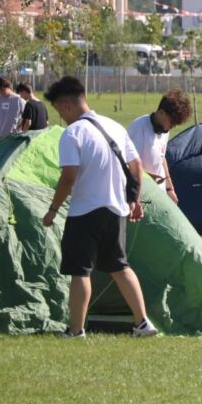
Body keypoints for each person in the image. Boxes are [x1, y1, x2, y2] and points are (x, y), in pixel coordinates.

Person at [41, 76, 158, 338]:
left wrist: (53, 209)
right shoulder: (114, 126)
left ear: (66, 105)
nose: (61, 117)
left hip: (85, 211)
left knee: (80, 271)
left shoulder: (73, 133)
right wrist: (134, 199)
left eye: (59, 111)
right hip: (116, 209)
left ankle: (76, 330)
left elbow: (69, 177)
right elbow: (136, 166)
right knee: (120, 266)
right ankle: (142, 323)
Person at [128, 89, 193, 204]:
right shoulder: (139, 127)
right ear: (161, 112)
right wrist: (148, 178)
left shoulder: (165, 130)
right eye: (172, 122)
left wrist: (169, 188)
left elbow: (162, 158)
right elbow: (128, 163)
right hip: (141, 194)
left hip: (159, 193)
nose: (172, 126)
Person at [0, 77, 26, 142]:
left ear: (8, 87)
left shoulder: (19, 100)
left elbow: (26, 117)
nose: (0, 92)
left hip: (14, 137)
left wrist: (19, 129)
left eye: (2, 89)